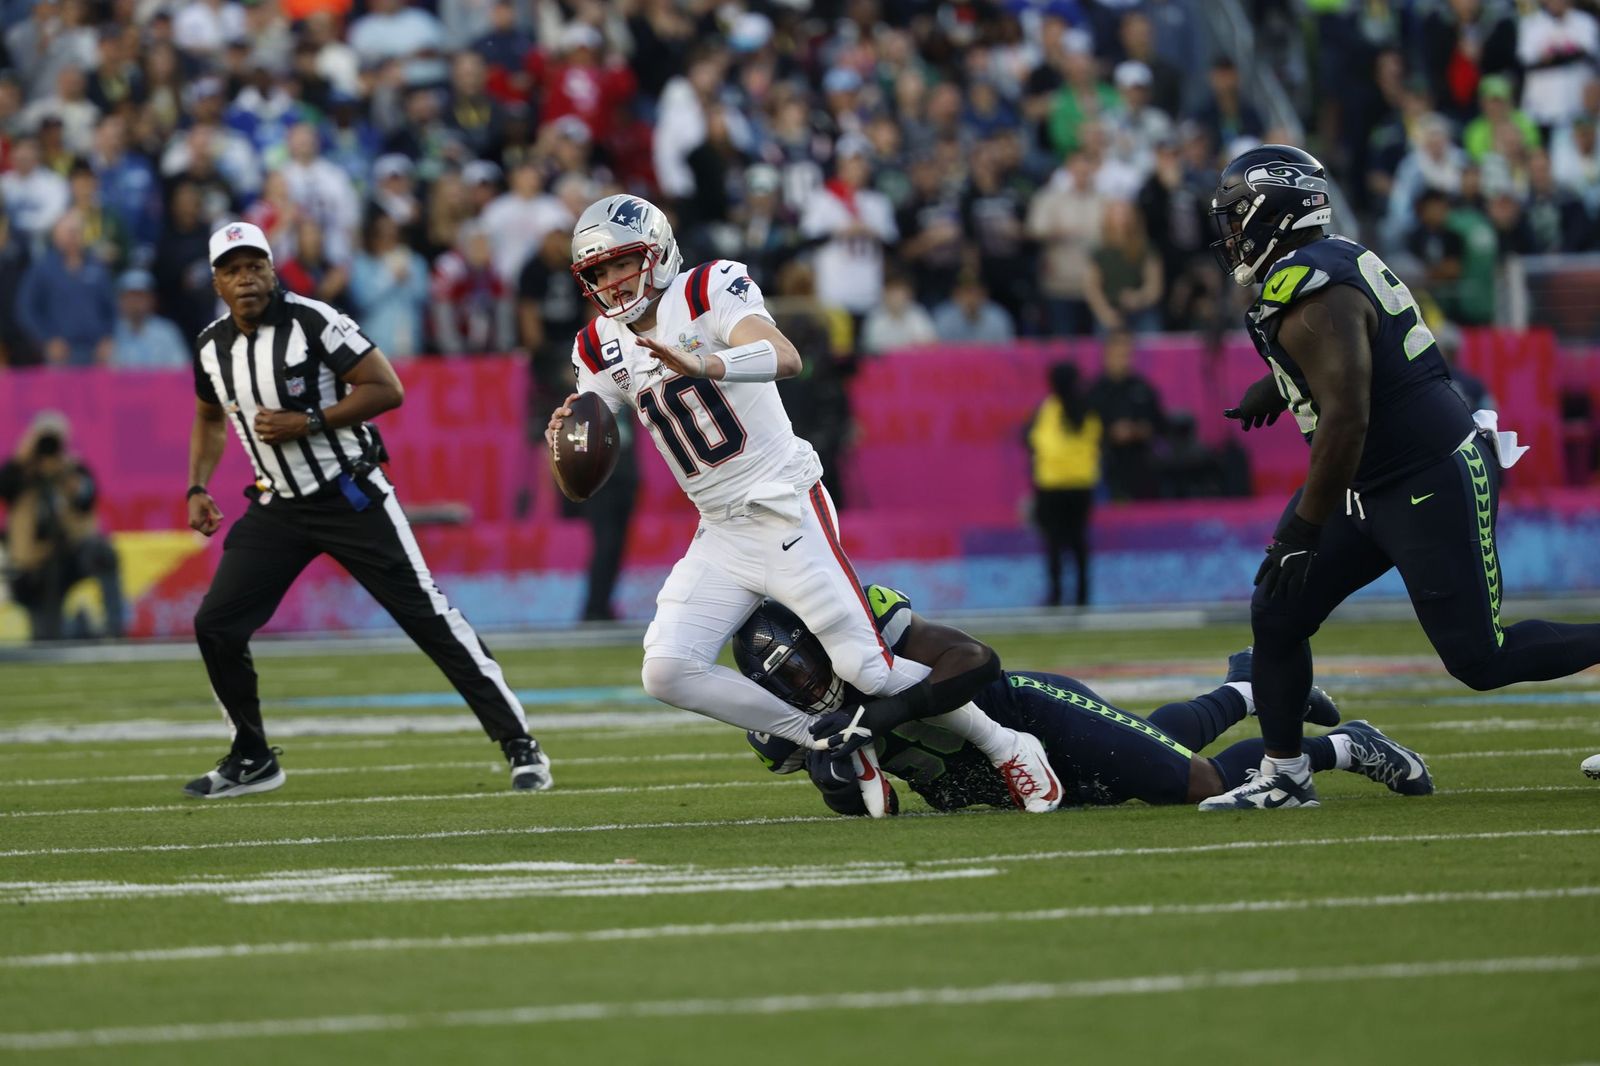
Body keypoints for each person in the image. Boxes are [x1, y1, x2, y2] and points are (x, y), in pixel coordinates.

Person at [545, 195, 1062, 811]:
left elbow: (786, 356)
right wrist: (567, 437)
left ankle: (1008, 745)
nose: (611, 282)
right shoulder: (598, 344)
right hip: (721, 530)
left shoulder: (708, 288)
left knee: (868, 668)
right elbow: (594, 430)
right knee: (667, 669)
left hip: (783, 503)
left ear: (656, 253)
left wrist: (703, 362)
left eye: (621, 263)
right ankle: (828, 740)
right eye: (597, 273)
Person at [1201, 144, 1600, 811]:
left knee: (1480, 657)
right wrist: (1277, 387)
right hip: (1372, 479)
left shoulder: (1308, 289)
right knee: (1277, 610)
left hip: (1425, 475)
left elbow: (1348, 414)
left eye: (1242, 214)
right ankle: (1286, 774)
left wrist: (1304, 525)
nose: (1232, 231)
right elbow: (1351, 363)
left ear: (1279, 209)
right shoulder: (1325, 265)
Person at [183, 221, 551, 798]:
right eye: (232, 270)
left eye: (255, 265)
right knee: (215, 625)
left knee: (427, 619)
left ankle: (519, 743)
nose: (246, 278)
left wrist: (308, 421)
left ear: (273, 269)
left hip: (348, 494)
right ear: (217, 281)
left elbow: (386, 387)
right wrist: (198, 486)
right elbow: (209, 416)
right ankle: (251, 755)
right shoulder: (211, 345)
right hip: (277, 505)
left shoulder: (314, 322)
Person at [737, 591, 1428, 817]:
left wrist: (881, 714)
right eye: (784, 683)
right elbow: (859, 804)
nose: (802, 687)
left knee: (1189, 781)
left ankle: (1346, 746)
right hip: (968, 783)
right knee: (1146, 745)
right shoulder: (773, 720)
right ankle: (1247, 686)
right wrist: (835, 777)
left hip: (1025, 717)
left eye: (803, 668)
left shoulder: (853, 615)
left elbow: (976, 662)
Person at [0, 411, 125, 641]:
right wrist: (22, 458)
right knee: (49, 639)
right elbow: (4, 487)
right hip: (36, 568)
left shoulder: (73, 469)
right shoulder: (19, 473)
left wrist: (66, 475)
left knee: (103, 552)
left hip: (71, 556)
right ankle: (80, 627)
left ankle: (115, 627)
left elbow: (87, 499)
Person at [1027, 363, 1101, 607]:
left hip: (1052, 485)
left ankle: (1056, 596)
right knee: (1079, 541)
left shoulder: (1050, 408)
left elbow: (1035, 441)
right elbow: (1097, 439)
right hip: (1081, 484)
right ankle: (1082, 596)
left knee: (1054, 544)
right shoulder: (1087, 407)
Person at [1087, 329, 1163, 500]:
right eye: (1119, 354)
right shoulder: (1094, 392)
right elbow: (1086, 432)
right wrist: (1110, 433)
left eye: (1127, 354)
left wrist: (1139, 431)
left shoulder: (1143, 388)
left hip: (1141, 466)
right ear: (1107, 355)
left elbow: (1159, 423)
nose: (1124, 360)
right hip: (1105, 468)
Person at [111, 268, 190, 369]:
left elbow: (181, 370)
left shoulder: (167, 332)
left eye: (140, 296)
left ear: (152, 300)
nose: (135, 302)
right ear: (120, 300)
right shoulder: (109, 332)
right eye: (130, 296)